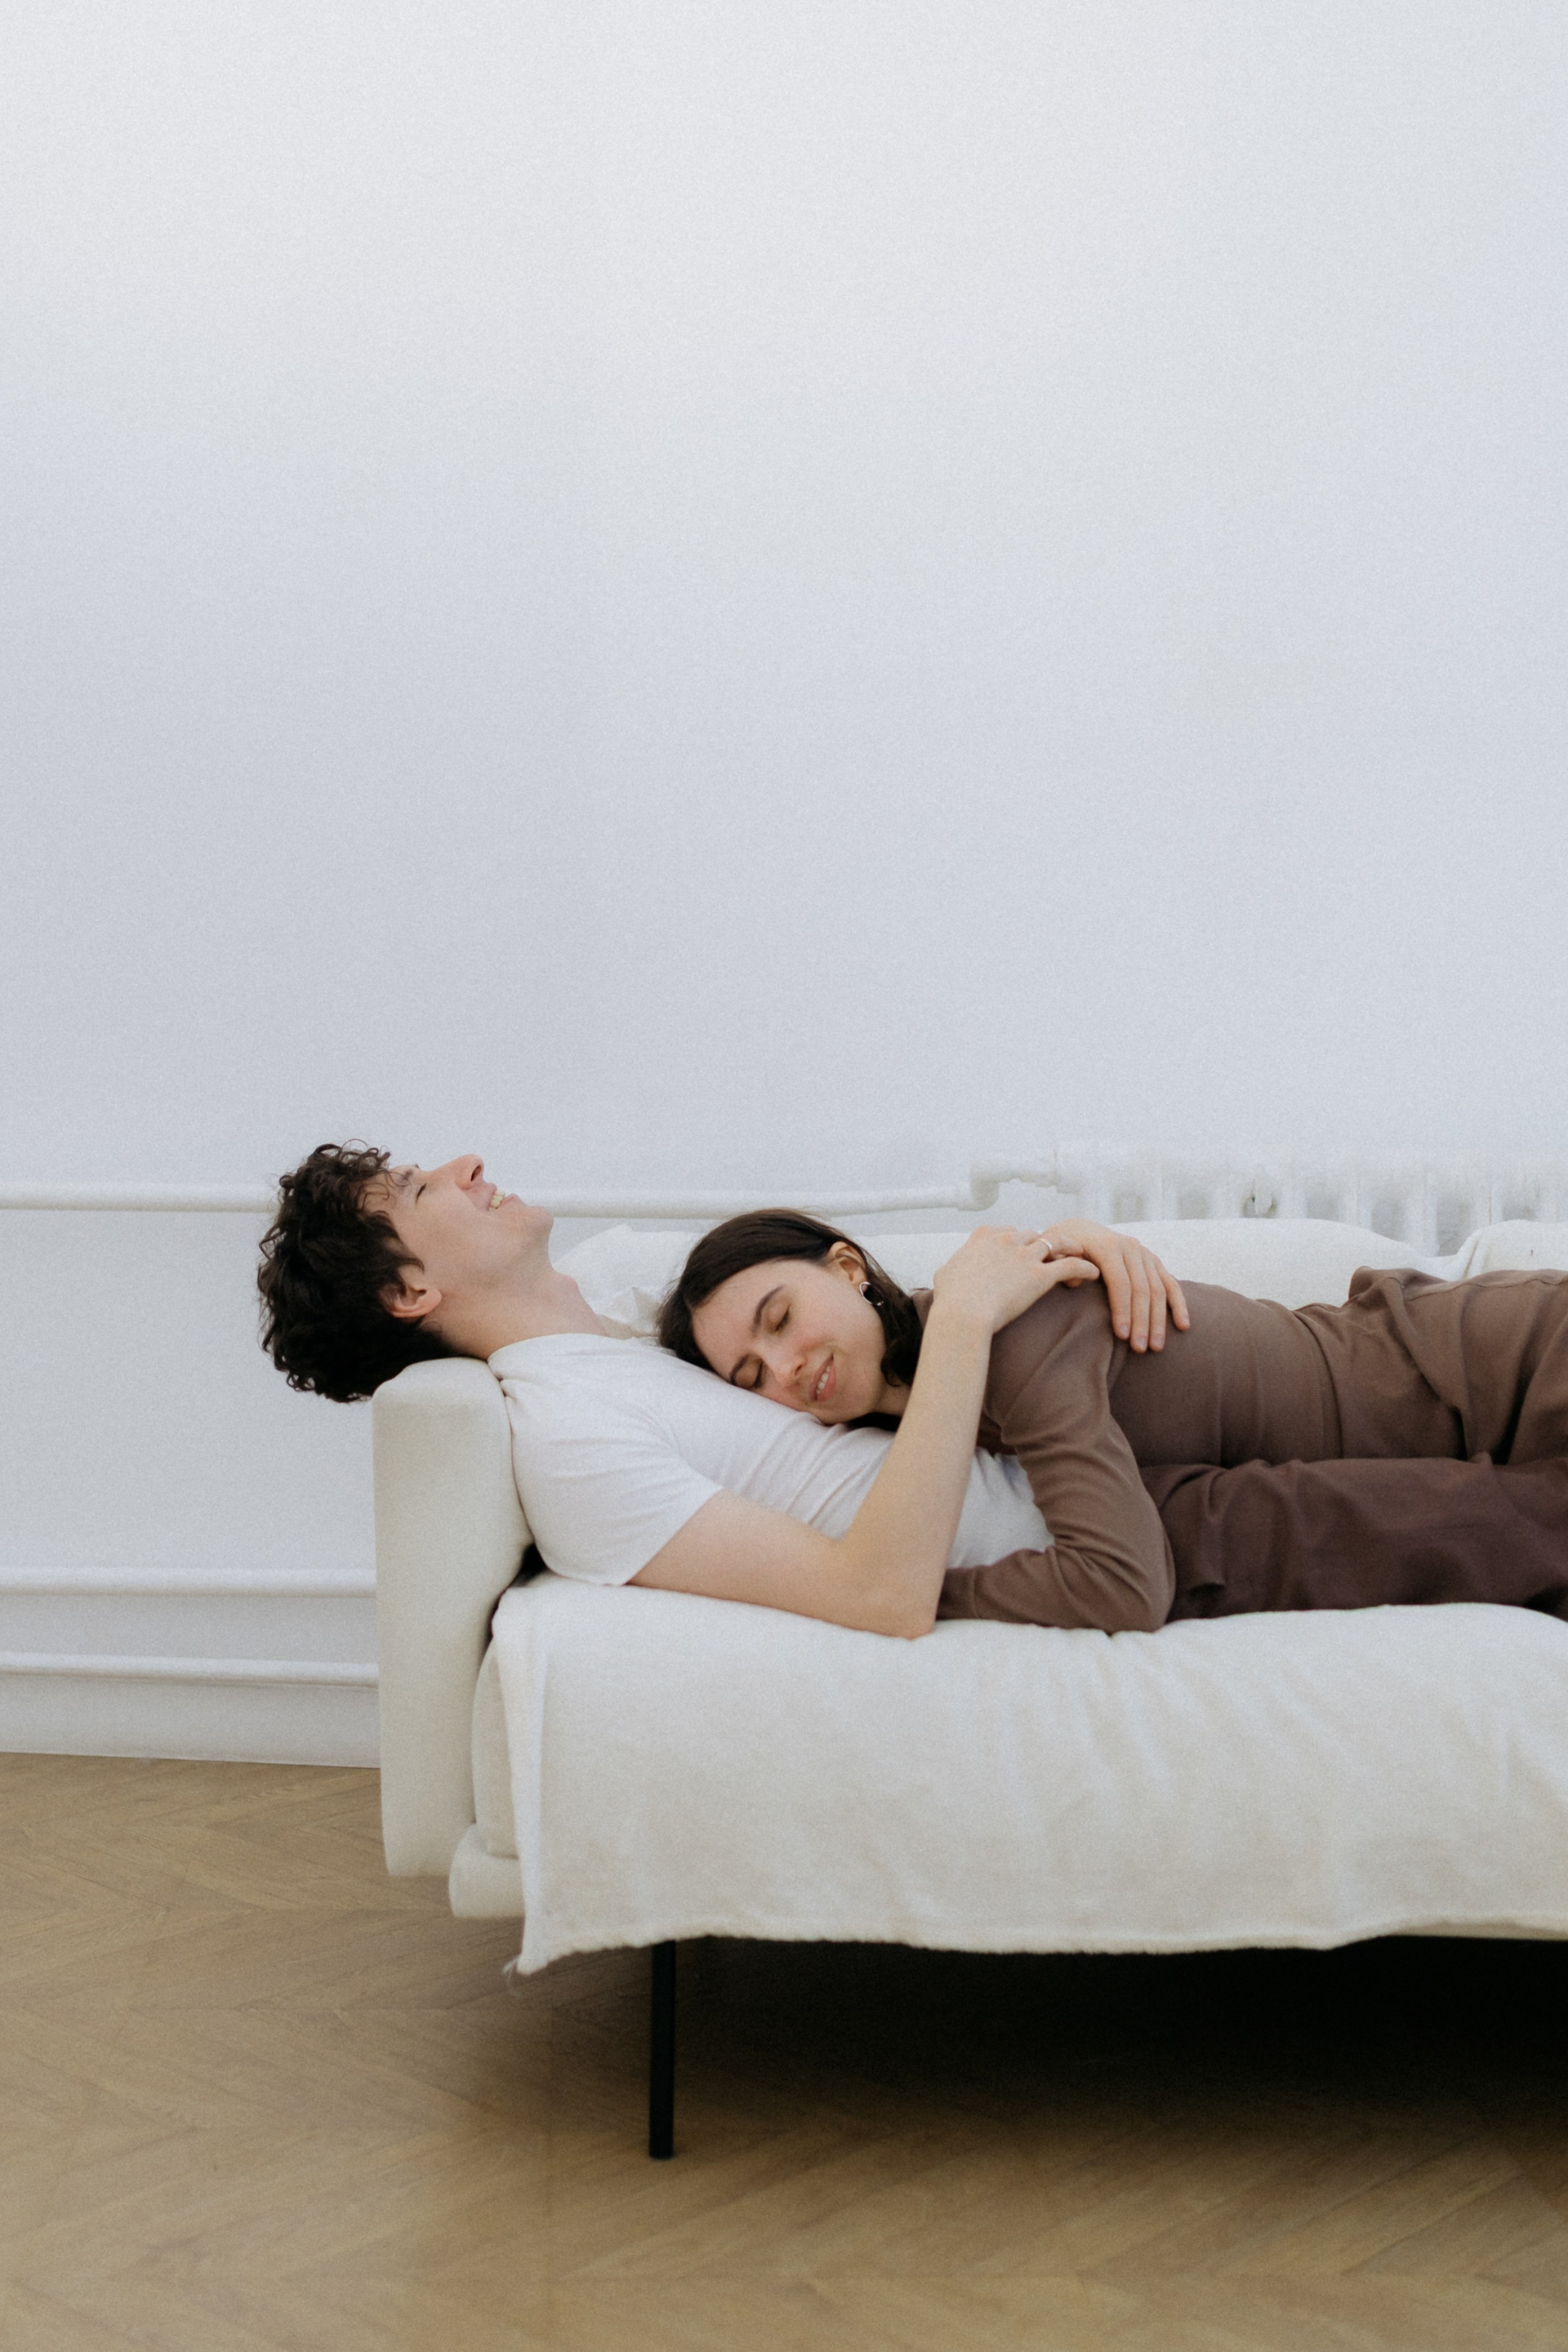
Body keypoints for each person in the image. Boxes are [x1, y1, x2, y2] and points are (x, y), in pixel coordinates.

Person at [256, 1142, 1186, 1637]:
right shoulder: (567, 1439)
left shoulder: (624, 1325)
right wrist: (966, 1327)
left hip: (1115, 1451)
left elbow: (853, 1312)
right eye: (422, 1191)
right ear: (410, 1293)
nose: (466, 1165)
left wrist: (1061, 1250)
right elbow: (880, 1596)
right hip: (1116, 1544)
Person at [658, 1210, 1568, 1630]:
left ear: (849, 1267)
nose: (786, 1367)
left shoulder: (1008, 1333)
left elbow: (1120, 1587)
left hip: (1500, 1363)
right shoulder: (935, 1405)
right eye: (750, 1376)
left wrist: (923, 1589)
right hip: (1469, 1430)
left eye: (780, 1318)